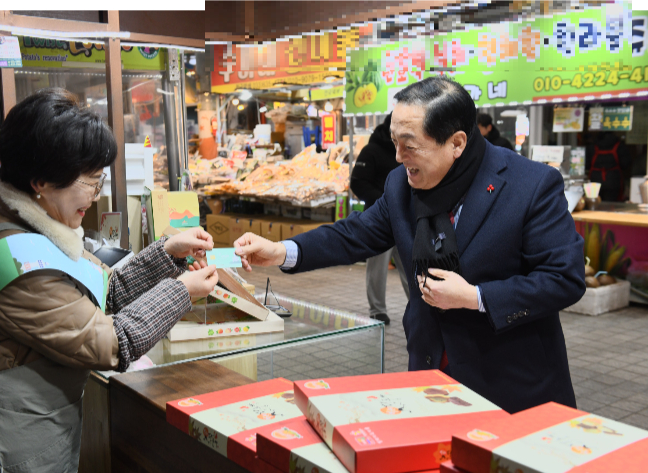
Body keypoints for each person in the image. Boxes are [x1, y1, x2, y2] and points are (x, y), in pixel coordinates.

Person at [234, 76, 585, 414]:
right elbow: (355, 234)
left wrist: (476, 297)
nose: (399, 157)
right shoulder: (401, 185)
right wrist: (282, 251)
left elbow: (564, 278)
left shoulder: (531, 185)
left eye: (409, 145)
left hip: (509, 382)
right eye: (394, 142)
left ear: (457, 143)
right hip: (429, 371)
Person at [0, 88, 218, 472]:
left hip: (29, 428)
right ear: (41, 181)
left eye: (98, 180)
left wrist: (167, 252)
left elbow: (104, 291)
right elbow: (112, 343)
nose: (93, 195)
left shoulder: (33, 225)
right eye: (88, 182)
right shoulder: (17, 265)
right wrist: (181, 292)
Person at [350, 113, 409, 325]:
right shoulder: (372, 150)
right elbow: (358, 183)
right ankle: (377, 310)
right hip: (379, 219)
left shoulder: (408, 149)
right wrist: (385, 201)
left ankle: (418, 306)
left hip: (406, 218)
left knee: (411, 264)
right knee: (377, 267)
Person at [586, 132, 631, 202]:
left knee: (595, 203)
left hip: (595, 182)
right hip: (614, 181)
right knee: (613, 204)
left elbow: (587, 165)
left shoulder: (593, 146)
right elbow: (625, 164)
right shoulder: (619, 146)